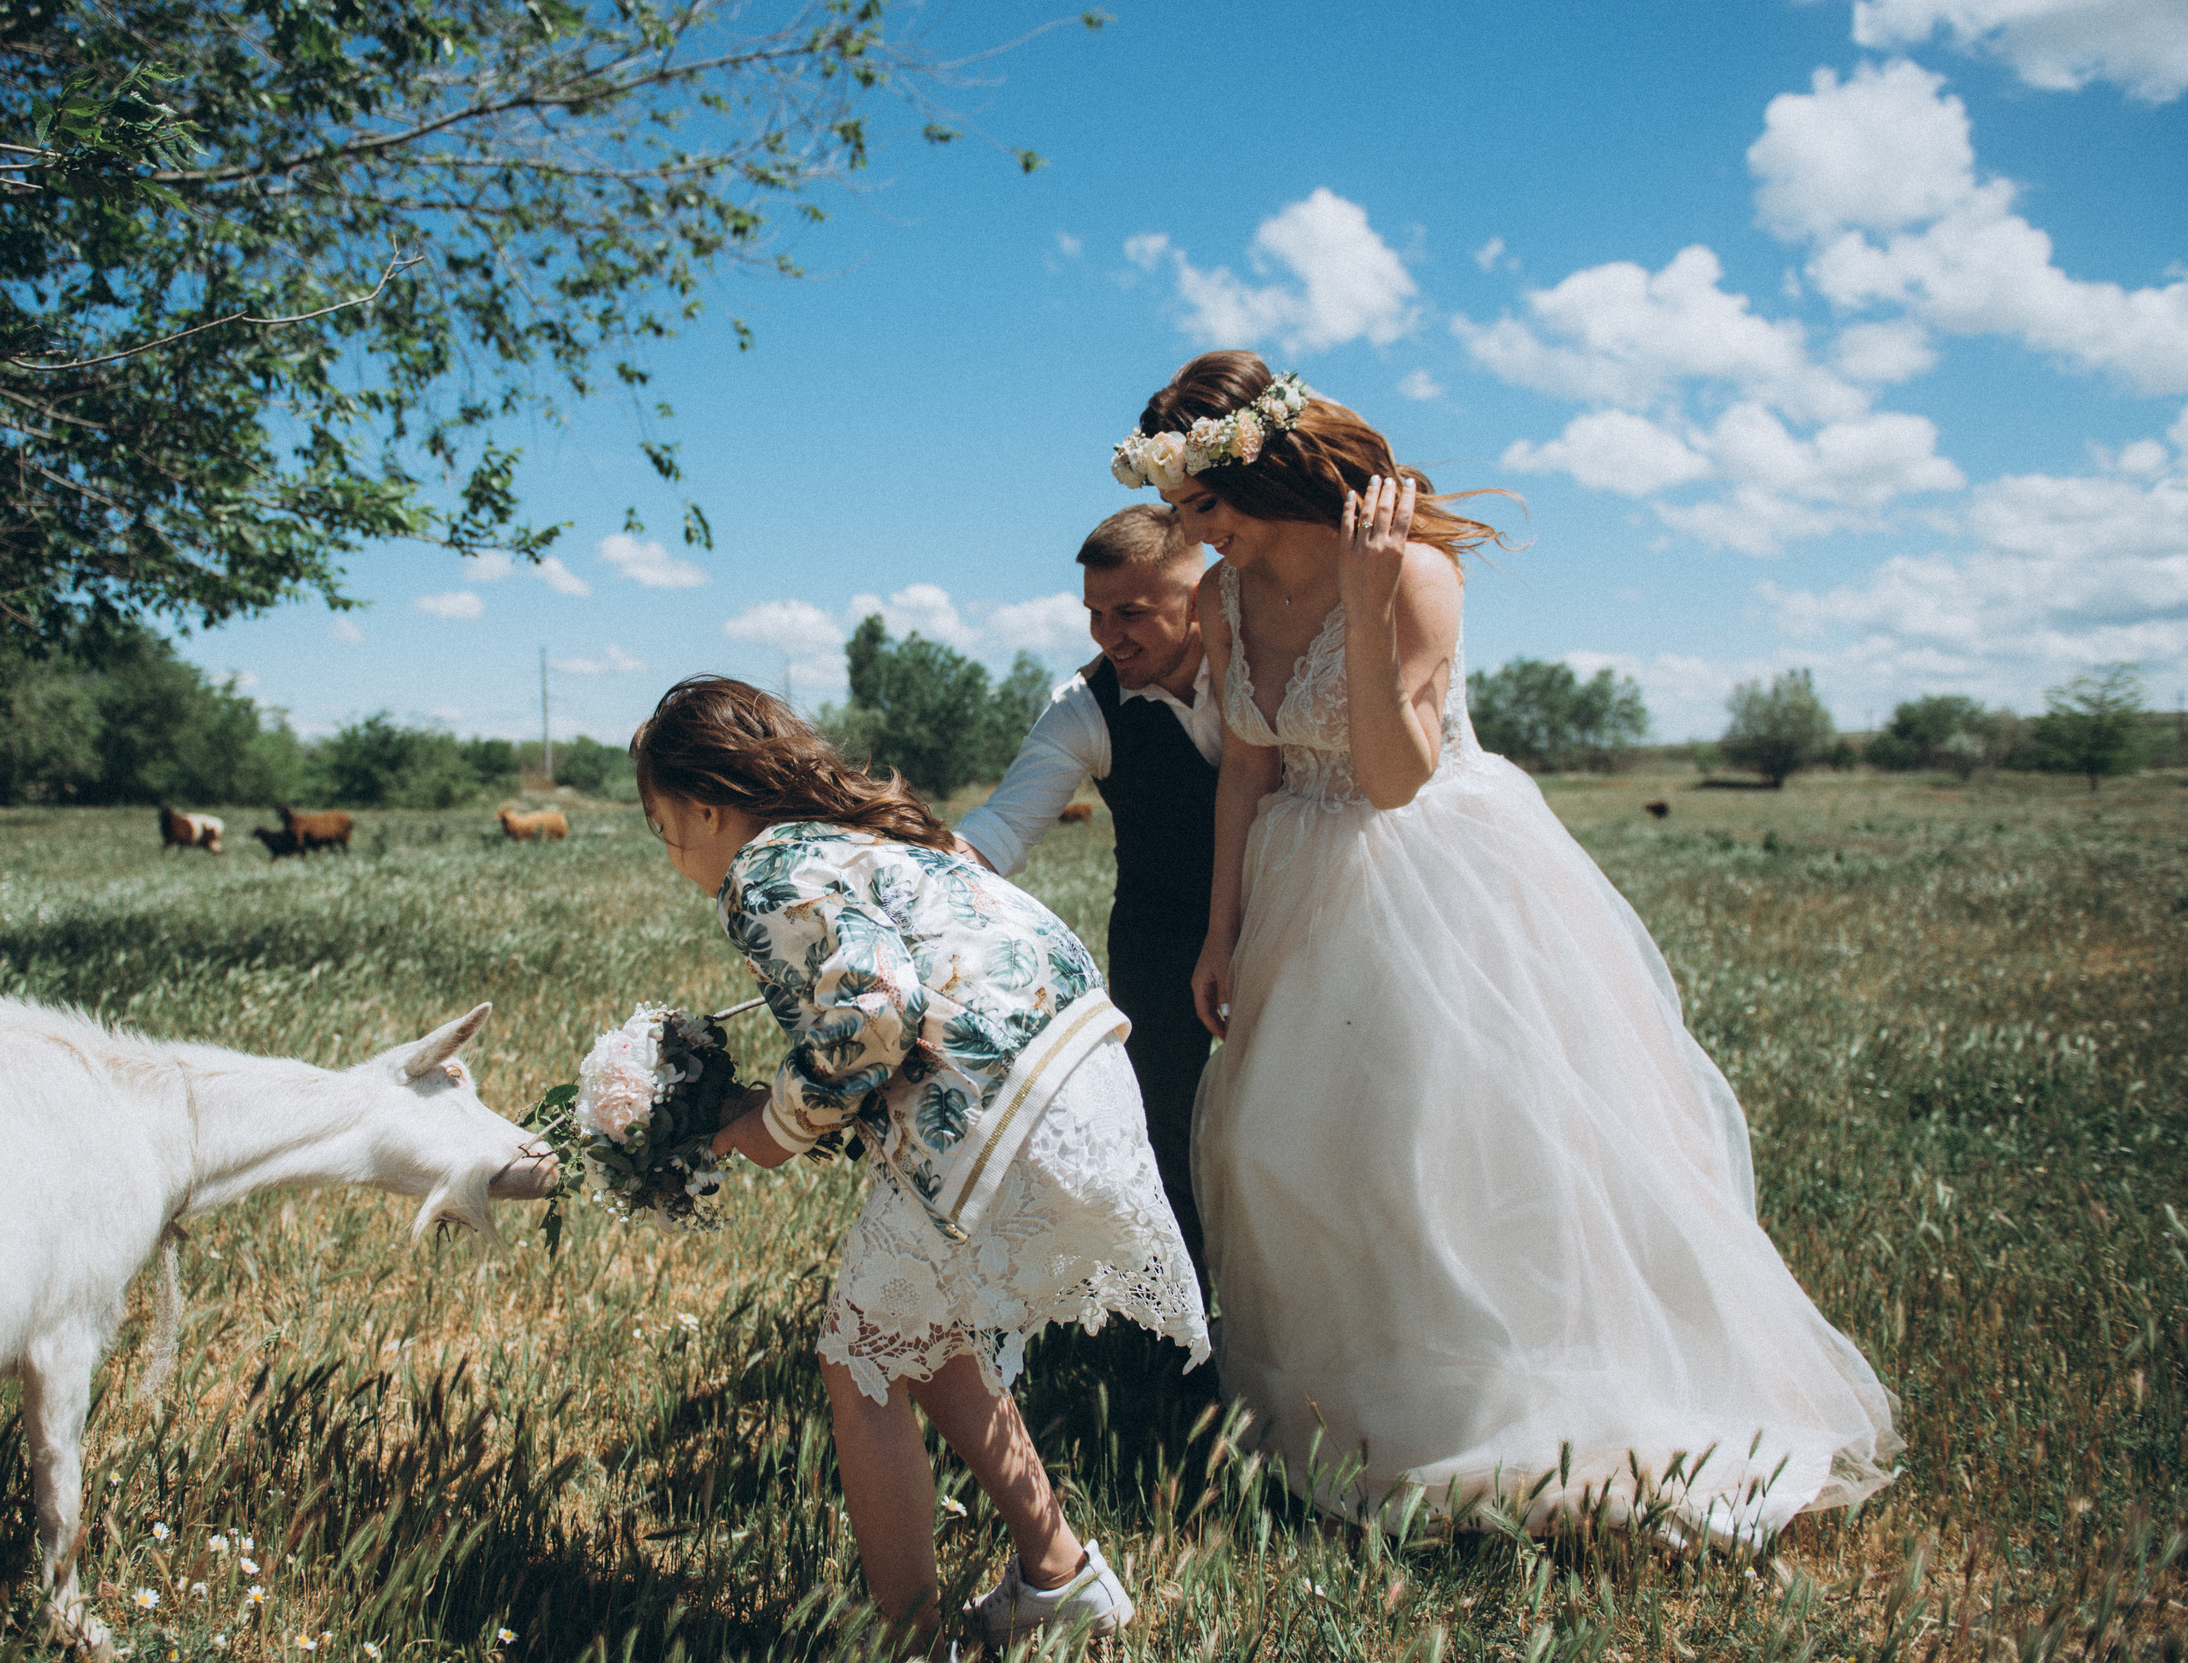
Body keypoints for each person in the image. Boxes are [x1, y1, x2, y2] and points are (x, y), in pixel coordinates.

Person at [1111, 352, 1898, 1543]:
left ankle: (1510, 1414)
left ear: (1268, 472)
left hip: (1437, 876)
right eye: (1178, 502)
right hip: (1293, 886)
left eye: (1202, 500)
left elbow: (1390, 777)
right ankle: (1343, 1417)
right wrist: (1219, 928)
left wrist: (1368, 610)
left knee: (1451, 1150)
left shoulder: (1413, 573)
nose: (1187, 525)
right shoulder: (1221, 599)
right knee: (1299, 1151)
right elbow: (1252, 769)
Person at [633, 676, 1207, 1653]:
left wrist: (767, 1125)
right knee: (926, 1340)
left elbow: (871, 1006)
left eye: (660, 826)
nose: (670, 852)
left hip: (998, 1107)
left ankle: (907, 1638)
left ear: (704, 804)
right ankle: (1060, 1575)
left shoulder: (765, 866)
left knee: (855, 1362)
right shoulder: (864, 836)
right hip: (1082, 1082)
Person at [957, 503, 1218, 1264]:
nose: (1108, 635)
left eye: (1131, 612)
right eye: (1096, 613)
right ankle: (1181, 1317)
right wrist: (918, 875)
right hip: (1159, 926)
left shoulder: (1262, 666)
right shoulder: (1083, 706)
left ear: (1196, 601)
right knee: (1161, 1112)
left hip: (1286, 910)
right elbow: (1002, 827)